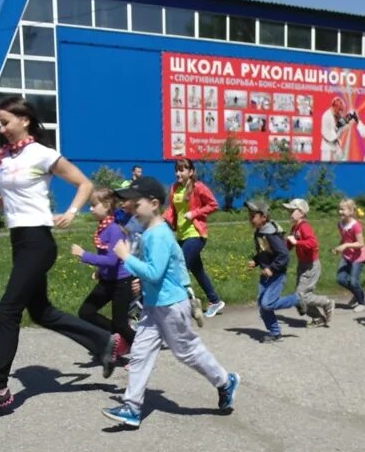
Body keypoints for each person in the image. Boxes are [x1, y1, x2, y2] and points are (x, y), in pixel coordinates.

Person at [0, 96, 117, 417]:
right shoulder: (5, 158)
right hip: (20, 240)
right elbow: (8, 204)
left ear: (24, 120)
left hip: (38, 241)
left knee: (7, 310)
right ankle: (104, 342)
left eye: (5, 122)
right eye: (0, 123)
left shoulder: (42, 154)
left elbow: (84, 183)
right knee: (42, 312)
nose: (1, 129)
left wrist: (72, 211)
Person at [103, 176, 240, 429]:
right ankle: (132, 408)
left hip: (172, 305)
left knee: (186, 352)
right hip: (155, 304)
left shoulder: (159, 235)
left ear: (154, 204)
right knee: (141, 352)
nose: (130, 206)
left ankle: (225, 381)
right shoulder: (147, 231)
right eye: (129, 202)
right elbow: (159, 272)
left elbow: (154, 272)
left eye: (135, 201)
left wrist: (127, 259)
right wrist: (140, 279)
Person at [71, 187, 136, 362]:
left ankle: (142, 352)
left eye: (94, 205)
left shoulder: (114, 229)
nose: (91, 209)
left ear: (107, 205)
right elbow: (105, 256)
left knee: (121, 324)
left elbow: (112, 260)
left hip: (121, 282)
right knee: (86, 312)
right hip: (108, 280)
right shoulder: (103, 227)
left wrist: (84, 255)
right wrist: (100, 271)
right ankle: (116, 338)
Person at [165, 158, 225, 318]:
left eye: (182, 170)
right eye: (176, 170)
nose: (178, 173)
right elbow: (172, 209)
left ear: (190, 172)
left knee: (178, 267)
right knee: (198, 271)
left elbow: (213, 205)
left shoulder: (198, 187)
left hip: (196, 234)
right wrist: (164, 223)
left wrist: (195, 213)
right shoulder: (174, 188)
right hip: (182, 234)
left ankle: (185, 304)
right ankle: (215, 301)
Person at [277, 198, 335, 327]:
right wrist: (279, 242)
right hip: (302, 265)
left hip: (311, 266)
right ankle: (318, 318)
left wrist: (297, 242)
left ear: (301, 213)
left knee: (301, 296)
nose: (289, 213)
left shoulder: (304, 227)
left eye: (292, 210)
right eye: (288, 210)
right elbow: (288, 246)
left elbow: (313, 243)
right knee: (301, 296)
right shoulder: (295, 228)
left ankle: (326, 302)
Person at [244, 200, 291, 341]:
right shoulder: (259, 233)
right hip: (266, 274)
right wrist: (256, 260)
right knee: (263, 305)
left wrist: (272, 268)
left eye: (253, 216)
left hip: (276, 274)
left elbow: (284, 254)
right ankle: (275, 333)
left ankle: (298, 299)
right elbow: (264, 252)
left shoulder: (271, 233)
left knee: (267, 304)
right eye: (249, 216)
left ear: (263, 217)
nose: (250, 219)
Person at [333, 198, 365, 310]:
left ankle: (362, 303)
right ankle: (357, 293)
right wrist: (339, 247)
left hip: (357, 257)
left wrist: (346, 245)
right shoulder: (340, 224)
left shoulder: (356, 226)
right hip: (347, 255)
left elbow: (361, 244)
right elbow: (344, 239)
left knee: (353, 281)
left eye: (343, 209)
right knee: (341, 279)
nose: (340, 212)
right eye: (339, 209)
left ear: (351, 211)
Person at [320, 97, 354, 161]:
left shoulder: (337, 115)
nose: (340, 112)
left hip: (335, 146)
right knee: (327, 169)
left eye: (341, 110)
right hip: (327, 147)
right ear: (334, 107)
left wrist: (349, 122)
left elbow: (342, 126)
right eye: (339, 110)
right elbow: (328, 135)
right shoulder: (326, 116)